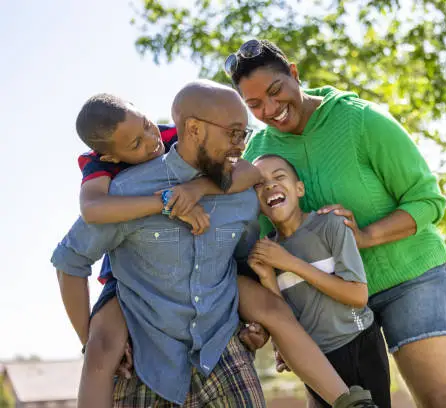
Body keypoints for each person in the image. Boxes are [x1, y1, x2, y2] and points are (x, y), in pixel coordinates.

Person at [52, 81, 377, 407]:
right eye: (233, 134)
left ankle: (350, 402)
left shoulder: (241, 197)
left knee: (272, 310)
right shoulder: (126, 192)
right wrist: (87, 337)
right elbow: (70, 260)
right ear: (193, 129)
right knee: (101, 346)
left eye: (244, 134)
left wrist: (255, 324)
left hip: (219, 346)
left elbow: (241, 261)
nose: (240, 145)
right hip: (147, 354)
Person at [229, 39, 446, 408]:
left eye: (276, 92)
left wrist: (367, 236)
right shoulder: (258, 156)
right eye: (255, 104)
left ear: (294, 73)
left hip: (408, 277)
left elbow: (427, 200)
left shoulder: (361, 120)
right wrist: (276, 325)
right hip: (330, 304)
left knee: (439, 399)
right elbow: (256, 242)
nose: (271, 110)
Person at [248, 154, 391, 408]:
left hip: (359, 344)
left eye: (279, 177)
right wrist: (269, 278)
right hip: (316, 362)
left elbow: (357, 296)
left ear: (299, 188)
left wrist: (290, 263)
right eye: (259, 184)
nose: (269, 185)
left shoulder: (330, 225)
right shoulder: (267, 252)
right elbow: (284, 320)